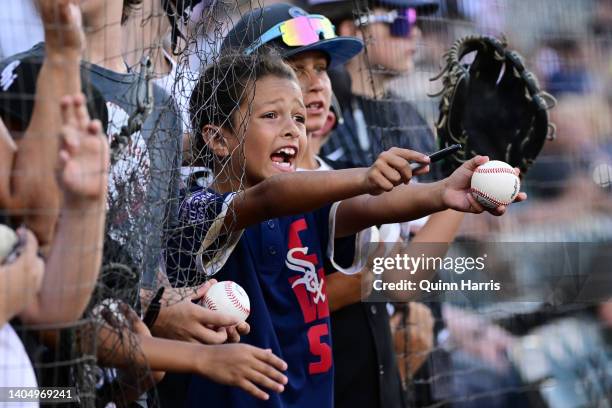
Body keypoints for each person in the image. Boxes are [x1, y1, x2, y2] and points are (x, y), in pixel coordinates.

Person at [167, 11, 524, 405]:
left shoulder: (315, 193)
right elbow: (270, 199)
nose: (292, 127)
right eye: (272, 114)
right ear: (219, 138)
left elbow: (371, 206)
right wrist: (366, 175)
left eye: (299, 117)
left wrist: (444, 192)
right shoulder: (196, 204)